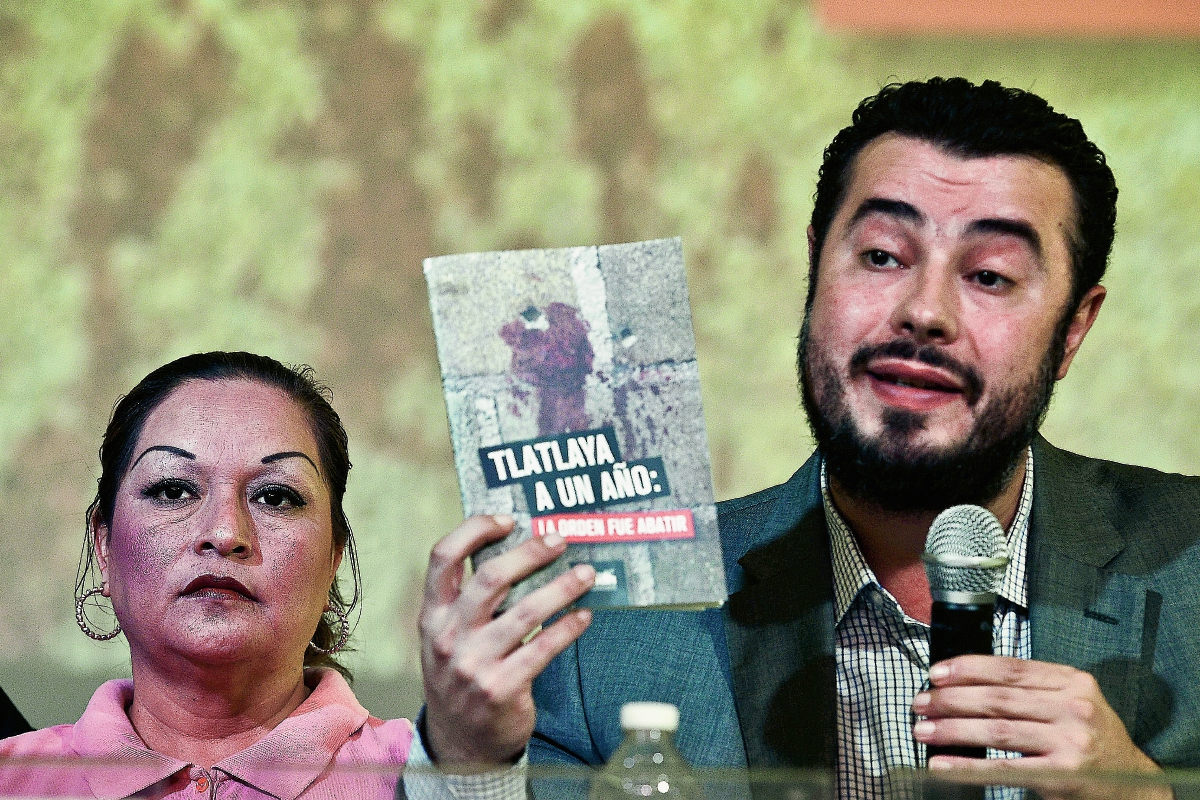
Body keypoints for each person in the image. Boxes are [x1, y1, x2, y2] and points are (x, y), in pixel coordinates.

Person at [526, 78, 1200, 798]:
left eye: (990, 275)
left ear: (1073, 329)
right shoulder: (615, 624)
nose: (924, 312)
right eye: (882, 256)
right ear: (816, 267)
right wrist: (470, 753)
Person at [0, 351, 595, 798]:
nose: (225, 532)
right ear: (104, 546)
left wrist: (469, 771)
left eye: (276, 496)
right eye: (174, 489)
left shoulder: (427, 771)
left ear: (335, 557)